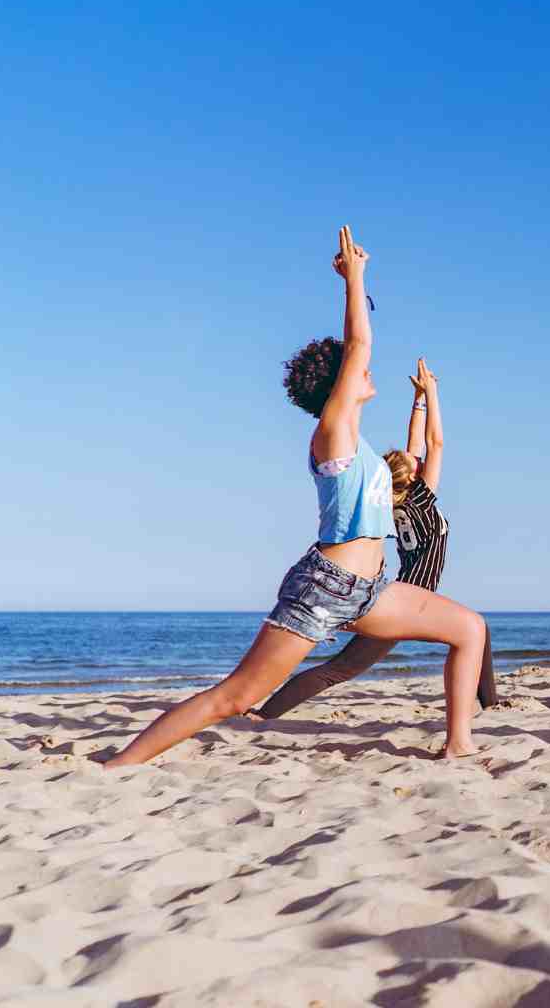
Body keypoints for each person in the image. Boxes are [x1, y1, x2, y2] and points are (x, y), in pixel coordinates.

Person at [103, 227, 490, 767]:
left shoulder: (362, 444)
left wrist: (425, 402)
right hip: (325, 588)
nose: (367, 370)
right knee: (236, 697)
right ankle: (119, 764)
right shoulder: (334, 433)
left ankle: (459, 745)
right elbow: (359, 346)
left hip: (372, 589)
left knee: (469, 628)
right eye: (356, 372)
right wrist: (355, 280)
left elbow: (413, 435)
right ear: (338, 385)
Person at [249, 356, 501, 720]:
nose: (417, 460)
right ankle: (263, 715)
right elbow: (435, 442)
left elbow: (416, 443)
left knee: (475, 628)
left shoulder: (399, 497)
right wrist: (432, 392)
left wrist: (418, 401)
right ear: (413, 479)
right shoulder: (422, 499)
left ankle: (491, 704)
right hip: (402, 599)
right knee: (339, 670)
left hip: (402, 593)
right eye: (414, 463)